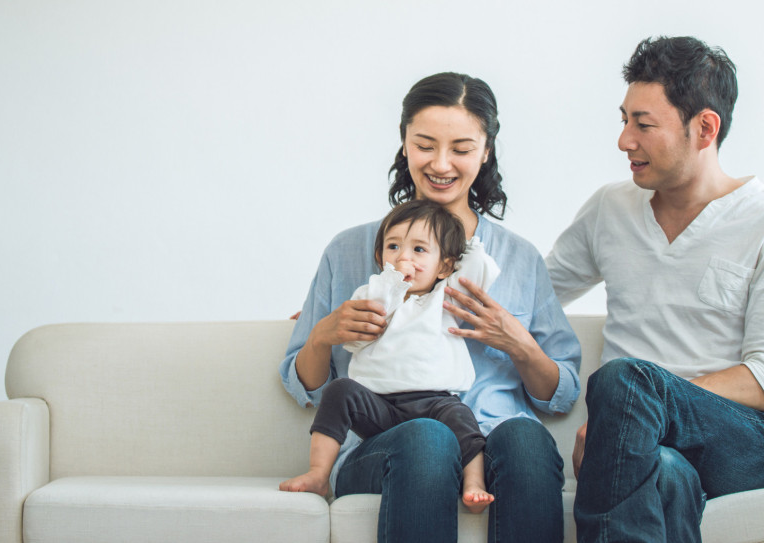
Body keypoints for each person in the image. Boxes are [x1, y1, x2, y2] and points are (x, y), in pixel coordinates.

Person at [280, 72, 582, 543]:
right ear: (404, 143)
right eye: (425, 145)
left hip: (497, 434)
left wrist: (519, 343)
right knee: (429, 436)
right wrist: (323, 336)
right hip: (388, 440)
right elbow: (306, 387)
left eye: (461, 148)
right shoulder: (348, 250)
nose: (441, 164)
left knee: (526, 441)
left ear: (486, 152)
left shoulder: (518, 259)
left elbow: (560, 395)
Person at [545, 36, 764, 542]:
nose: (625, 140)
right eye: (624, 120)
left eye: (643, 125)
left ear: (704, 128)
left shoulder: (757, 220)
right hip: (639, 449)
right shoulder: (610, 208)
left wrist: (629, 416)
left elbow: (760, 378)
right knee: (663, 472)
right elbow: (531, 296)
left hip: (738, 439)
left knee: (626, 382)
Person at [280, 199, 499, 513]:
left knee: (462, 418)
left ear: (444, 267)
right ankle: (319, 473)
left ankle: (473, 483)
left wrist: (469, 244)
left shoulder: (445, 299)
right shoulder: (372, 295)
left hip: (435, 403)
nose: (403, 257)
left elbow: (478, 270)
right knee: (339, 392)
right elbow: (357, 339)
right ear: (379, 257)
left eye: (419, 249)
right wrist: (394, 281)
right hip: (379, 405)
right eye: (393, 247)